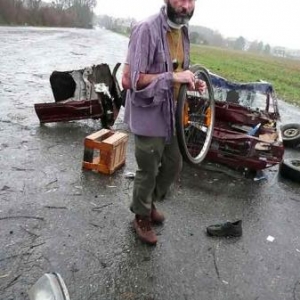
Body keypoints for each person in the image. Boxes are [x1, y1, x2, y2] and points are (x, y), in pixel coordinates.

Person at [122, 0, 206, 245]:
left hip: (171, 114)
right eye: (180, 0)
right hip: (149, 112)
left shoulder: (183, 30)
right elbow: (132, 80)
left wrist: (191, 82)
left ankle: (147, 204)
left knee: (173, 164)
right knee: (148, 169)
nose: (185, 6)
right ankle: (141, 217)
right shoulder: (146, 29)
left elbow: (180, 70)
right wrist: (172, 77)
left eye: (190, 1)